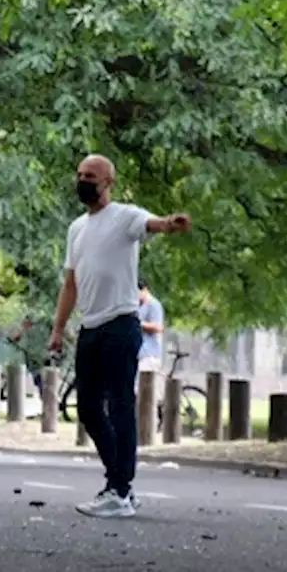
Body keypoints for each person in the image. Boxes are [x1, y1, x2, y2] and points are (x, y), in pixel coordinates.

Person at [49, 154, 191, 519]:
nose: (83, 180)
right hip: (90, 327)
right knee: (88, 409)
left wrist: (171, 224)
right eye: (79, 174)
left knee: (120, 406)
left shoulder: (125, 216)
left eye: (91, 176)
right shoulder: (76, 229)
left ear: (108, 182)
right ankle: (119, 483)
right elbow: (70, 283)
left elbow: (152, 223)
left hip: (120, 324)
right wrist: (57, 327)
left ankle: (120, 489)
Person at [136, 279, 165, 375]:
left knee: (145, 387)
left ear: (144, 289)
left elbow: (158, 328)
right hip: (139, 354)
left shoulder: (153, 304)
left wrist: (138, 324)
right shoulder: (138, 306)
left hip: (149, 355)